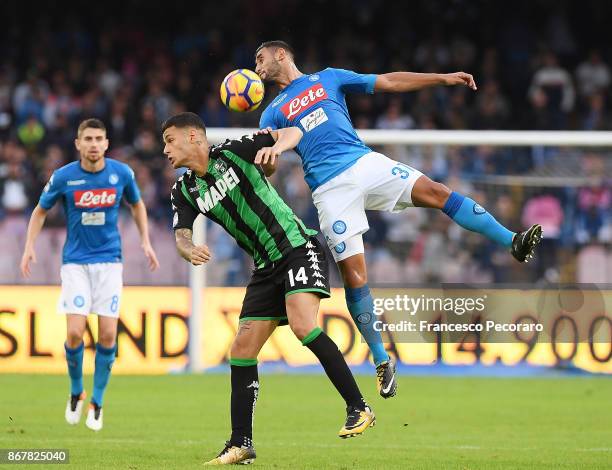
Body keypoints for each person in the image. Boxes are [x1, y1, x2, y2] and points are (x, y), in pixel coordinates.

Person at [255, 40, 543, 398]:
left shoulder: (328, 78)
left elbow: (387, 82)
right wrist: (268, 163)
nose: (257, 66)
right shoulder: (270, 113)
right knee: (355, 276)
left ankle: (512, 241)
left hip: (364, 162)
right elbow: (270, 161)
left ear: (281, 54)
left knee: (438, 192)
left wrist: (441, 78)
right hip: (330, 189)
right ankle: (381, 359)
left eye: (260, 58)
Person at [162, 112, 375, 466]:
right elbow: (181, 233)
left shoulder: (233, 151)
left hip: (296, 248)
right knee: (242, 349)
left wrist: (274, 148)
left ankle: (358, 406)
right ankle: (240, 443)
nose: (165, 148)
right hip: (265, 268)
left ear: (194, 137)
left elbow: (292, 131)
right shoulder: (183, 190)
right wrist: (186, 248)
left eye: (170, 140)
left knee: (304, 325)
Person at [20, 118, 159, 431]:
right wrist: (29, 246)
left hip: (110, 262)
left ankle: (97, 400)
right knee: (73, 334)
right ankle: (75, 391)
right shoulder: (64, 177)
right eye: (89, 139)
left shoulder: (121, 173)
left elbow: (137, 205)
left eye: (99, 139)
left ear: (106, 143)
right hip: (75, 263)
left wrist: (146, 241)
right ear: (78, 144)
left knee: (108, 335)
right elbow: (40, 210)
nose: (94, 144)